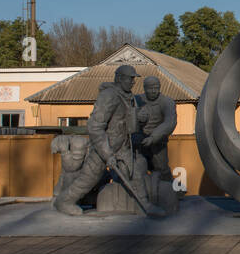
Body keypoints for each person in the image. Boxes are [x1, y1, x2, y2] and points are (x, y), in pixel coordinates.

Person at [53, 64, 165, 217]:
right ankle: (65, 201)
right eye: (130, 78)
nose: (133, 82)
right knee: (90, 178)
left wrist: (140, 118)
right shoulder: (109, 96)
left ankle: (145, 206)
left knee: (135, 172)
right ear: (119, 78)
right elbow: (95, 126)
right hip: (104, 146)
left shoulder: (129, 96)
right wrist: (107, 154)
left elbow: (129, 122)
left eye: (134, 79)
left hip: (122, 145)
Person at [135, 75, 177, 188]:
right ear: (144, 88)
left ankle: (171, 190)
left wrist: (153, 137)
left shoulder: (167, 102)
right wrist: (137, 116)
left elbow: (170, 122)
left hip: (158, 141)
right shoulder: (137, 100)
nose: (153, 91)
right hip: (140, 141)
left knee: (161, 168)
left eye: (156, 88)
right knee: (137, 167)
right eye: (150, 88)